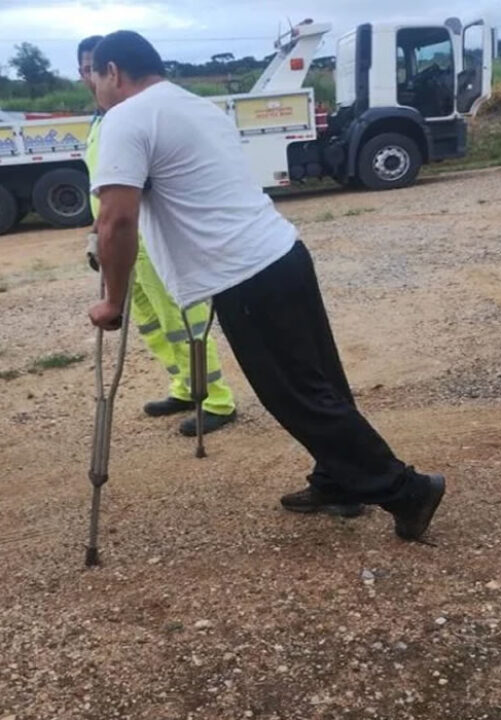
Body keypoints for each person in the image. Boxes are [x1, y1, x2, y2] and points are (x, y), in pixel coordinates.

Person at [86, 31, 443, 539]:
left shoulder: (125, 117)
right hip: (282, 252)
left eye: (95, 77)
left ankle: (407, 490)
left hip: (246, 275)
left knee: (296, 395)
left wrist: (112, 300)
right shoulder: (197, 106)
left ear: (113, 72)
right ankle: (338, 480)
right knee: (322, 384)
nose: (94, 88)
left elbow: (116, 222)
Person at [78, 35, 238, 437]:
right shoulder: (101, 122)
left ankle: (216, 397)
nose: (88, 79)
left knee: (182, 320)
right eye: (82, 70)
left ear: (110, 71)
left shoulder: (135, 116)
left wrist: (112, 228)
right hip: (121, 242)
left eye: (92, 70)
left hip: (150, 236)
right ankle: (185, 385)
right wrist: (97, 232)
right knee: (152, 324)